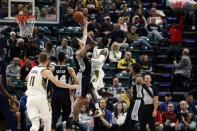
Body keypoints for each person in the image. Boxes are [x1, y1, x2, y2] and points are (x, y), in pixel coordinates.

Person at [25, 52, 78, 131]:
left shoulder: (35, 69)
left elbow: (27, 79)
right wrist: (72, 87)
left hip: (35, 97)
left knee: (42, 121)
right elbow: (73, 82)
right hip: (60, 94)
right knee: (63, 117)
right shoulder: (68, 69)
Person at [50, 52, 79, 131]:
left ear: (57, 58)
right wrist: (72, 89)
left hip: (55, 93)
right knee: (68, 116)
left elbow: (47, 81)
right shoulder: (69, 69)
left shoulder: (52, 69)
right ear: (65, 59)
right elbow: (76, 81)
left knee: (54, 117)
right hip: (65, 94)